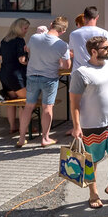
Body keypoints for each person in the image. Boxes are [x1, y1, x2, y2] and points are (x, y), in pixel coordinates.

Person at [68, 35, 108, 210]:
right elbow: (74, 103)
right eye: (105, 47)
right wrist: (76, 126)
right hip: (91, 125)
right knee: (91, 161)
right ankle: (93, 193)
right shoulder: (81, 73)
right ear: (94, 52)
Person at [22, 16, 71, 147]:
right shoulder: (62, 45)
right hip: (49, 77)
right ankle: (45, 138)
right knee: (47, 108)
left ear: (51, 24)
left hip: (32, 75)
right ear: (63, 30)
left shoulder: (34, 37)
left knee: (28, 107)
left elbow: (28, 49)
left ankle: (21, 138)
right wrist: (59, 61)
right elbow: (67, 66)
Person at [0, 17, 30, 143]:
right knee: (24, 102)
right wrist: (28, 59)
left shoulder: (4, 40)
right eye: (25, 28)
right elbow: (22, 60)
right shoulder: (19, 40)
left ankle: (12, 127)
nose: (26, 31)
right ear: (19, 28)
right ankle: (24, 129)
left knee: (12, 101)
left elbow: (0, 57)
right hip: (16, 75)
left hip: (4, 74)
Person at [68, 6, 108, 72]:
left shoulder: (74, 34)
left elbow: (71, 53)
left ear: (84, 17)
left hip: (79, 73)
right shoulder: (104, 33)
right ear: (97, 17)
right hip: (99, 71)